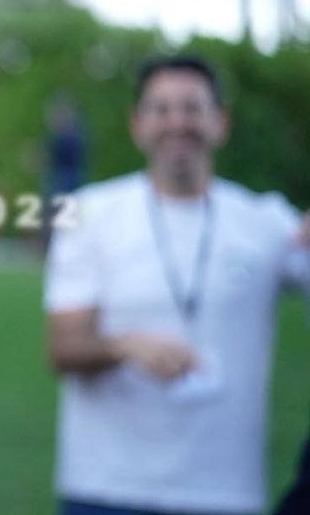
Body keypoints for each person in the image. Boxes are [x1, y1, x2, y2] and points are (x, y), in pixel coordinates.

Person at [44, 56, 310, 515]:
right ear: (137, 124)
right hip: (106, 488)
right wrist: (123, 346)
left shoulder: (266, 222)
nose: (177, 123)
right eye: (161, 109)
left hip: (223, 491)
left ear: (220, 123)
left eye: (192, 108)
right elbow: (62, 347)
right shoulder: (91, 214)